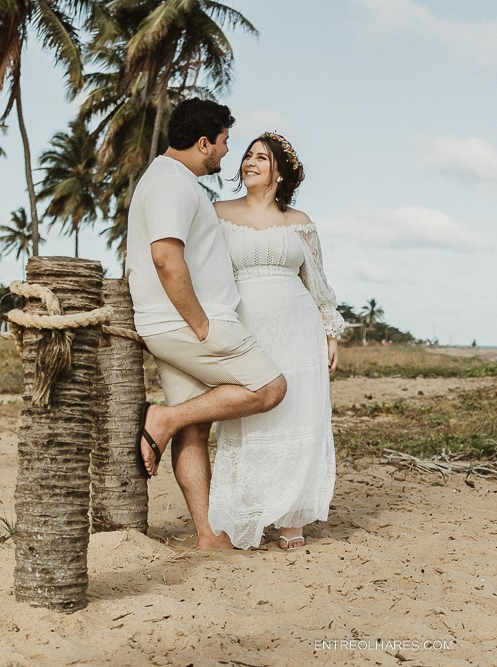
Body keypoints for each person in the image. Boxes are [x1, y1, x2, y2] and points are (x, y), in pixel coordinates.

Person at [125, 99, 288, 550]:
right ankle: (164, 418)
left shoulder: (176, 183)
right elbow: (164, 257)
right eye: (223, 142)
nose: (226, 152)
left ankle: (207, 536)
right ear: (203, 143)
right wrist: (200, 323)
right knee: (270, 388)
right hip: (188, 326)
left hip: (173, 326)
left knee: (195, 431)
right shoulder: (169, 184)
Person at [208, 132, 345, 550]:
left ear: (280, 172)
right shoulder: (217, 213)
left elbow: (317, 283)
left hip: (299, 327)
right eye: (247, 155)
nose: (249, 162)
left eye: (261, 158)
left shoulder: (300, 222)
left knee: (299, 416)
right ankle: (245, 513)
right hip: (245, 325)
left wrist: (329, 333)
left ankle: (291, 520)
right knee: (249, 414)